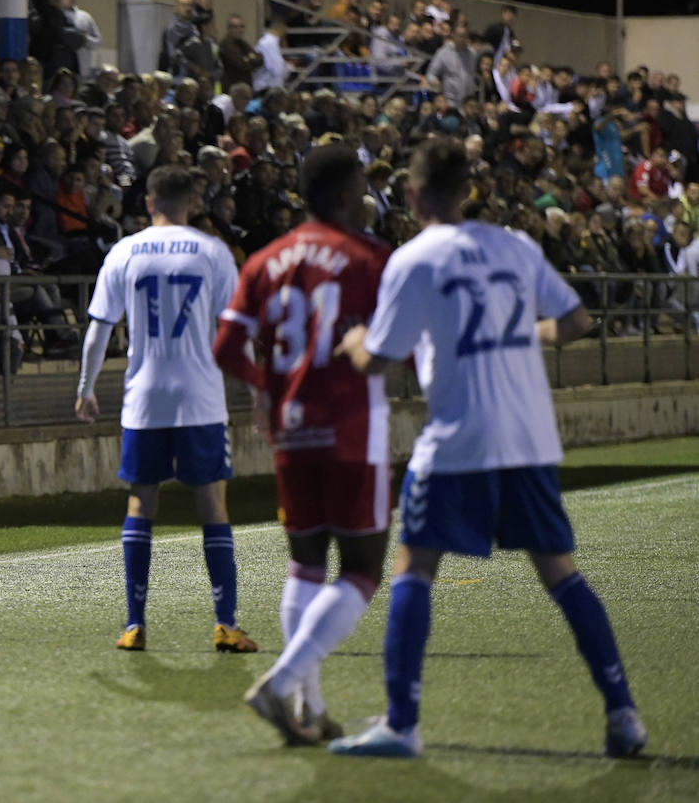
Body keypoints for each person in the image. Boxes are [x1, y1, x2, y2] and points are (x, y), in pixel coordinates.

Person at [328, 138, 647, 759]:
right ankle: (624, 714)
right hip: (528, 437)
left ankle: (401, 723)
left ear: (412, 195)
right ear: (468, 191)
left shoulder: (413, 259)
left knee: (414, 567)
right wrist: (526, 330)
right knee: (561, 574)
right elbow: (579, 321)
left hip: (457, 441)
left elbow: (380, 359)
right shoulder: (515, 244)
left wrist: (354, 339)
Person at [211, 144, 392, 744]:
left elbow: (225, 349)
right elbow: (400, 346)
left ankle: (311, 710)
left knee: (306, 564)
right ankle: (282, 683)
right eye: (363, 189)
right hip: (350, 428)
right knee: (363, 567)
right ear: (345, 196)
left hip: (290, 427)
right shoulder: (369, 258)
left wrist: (268, 385)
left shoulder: (265, 260)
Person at [74, 165, 258, 654]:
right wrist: (258, 389)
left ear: (149, 201)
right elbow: (236, 328)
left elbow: (98, 330)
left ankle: (134, 625)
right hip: (201, 397)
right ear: (193, 202)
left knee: (141, 504)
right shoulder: (213, 251)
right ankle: (226, 624)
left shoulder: (125, 251)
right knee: (212, 505)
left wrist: (85, 387)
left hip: (145, 398)